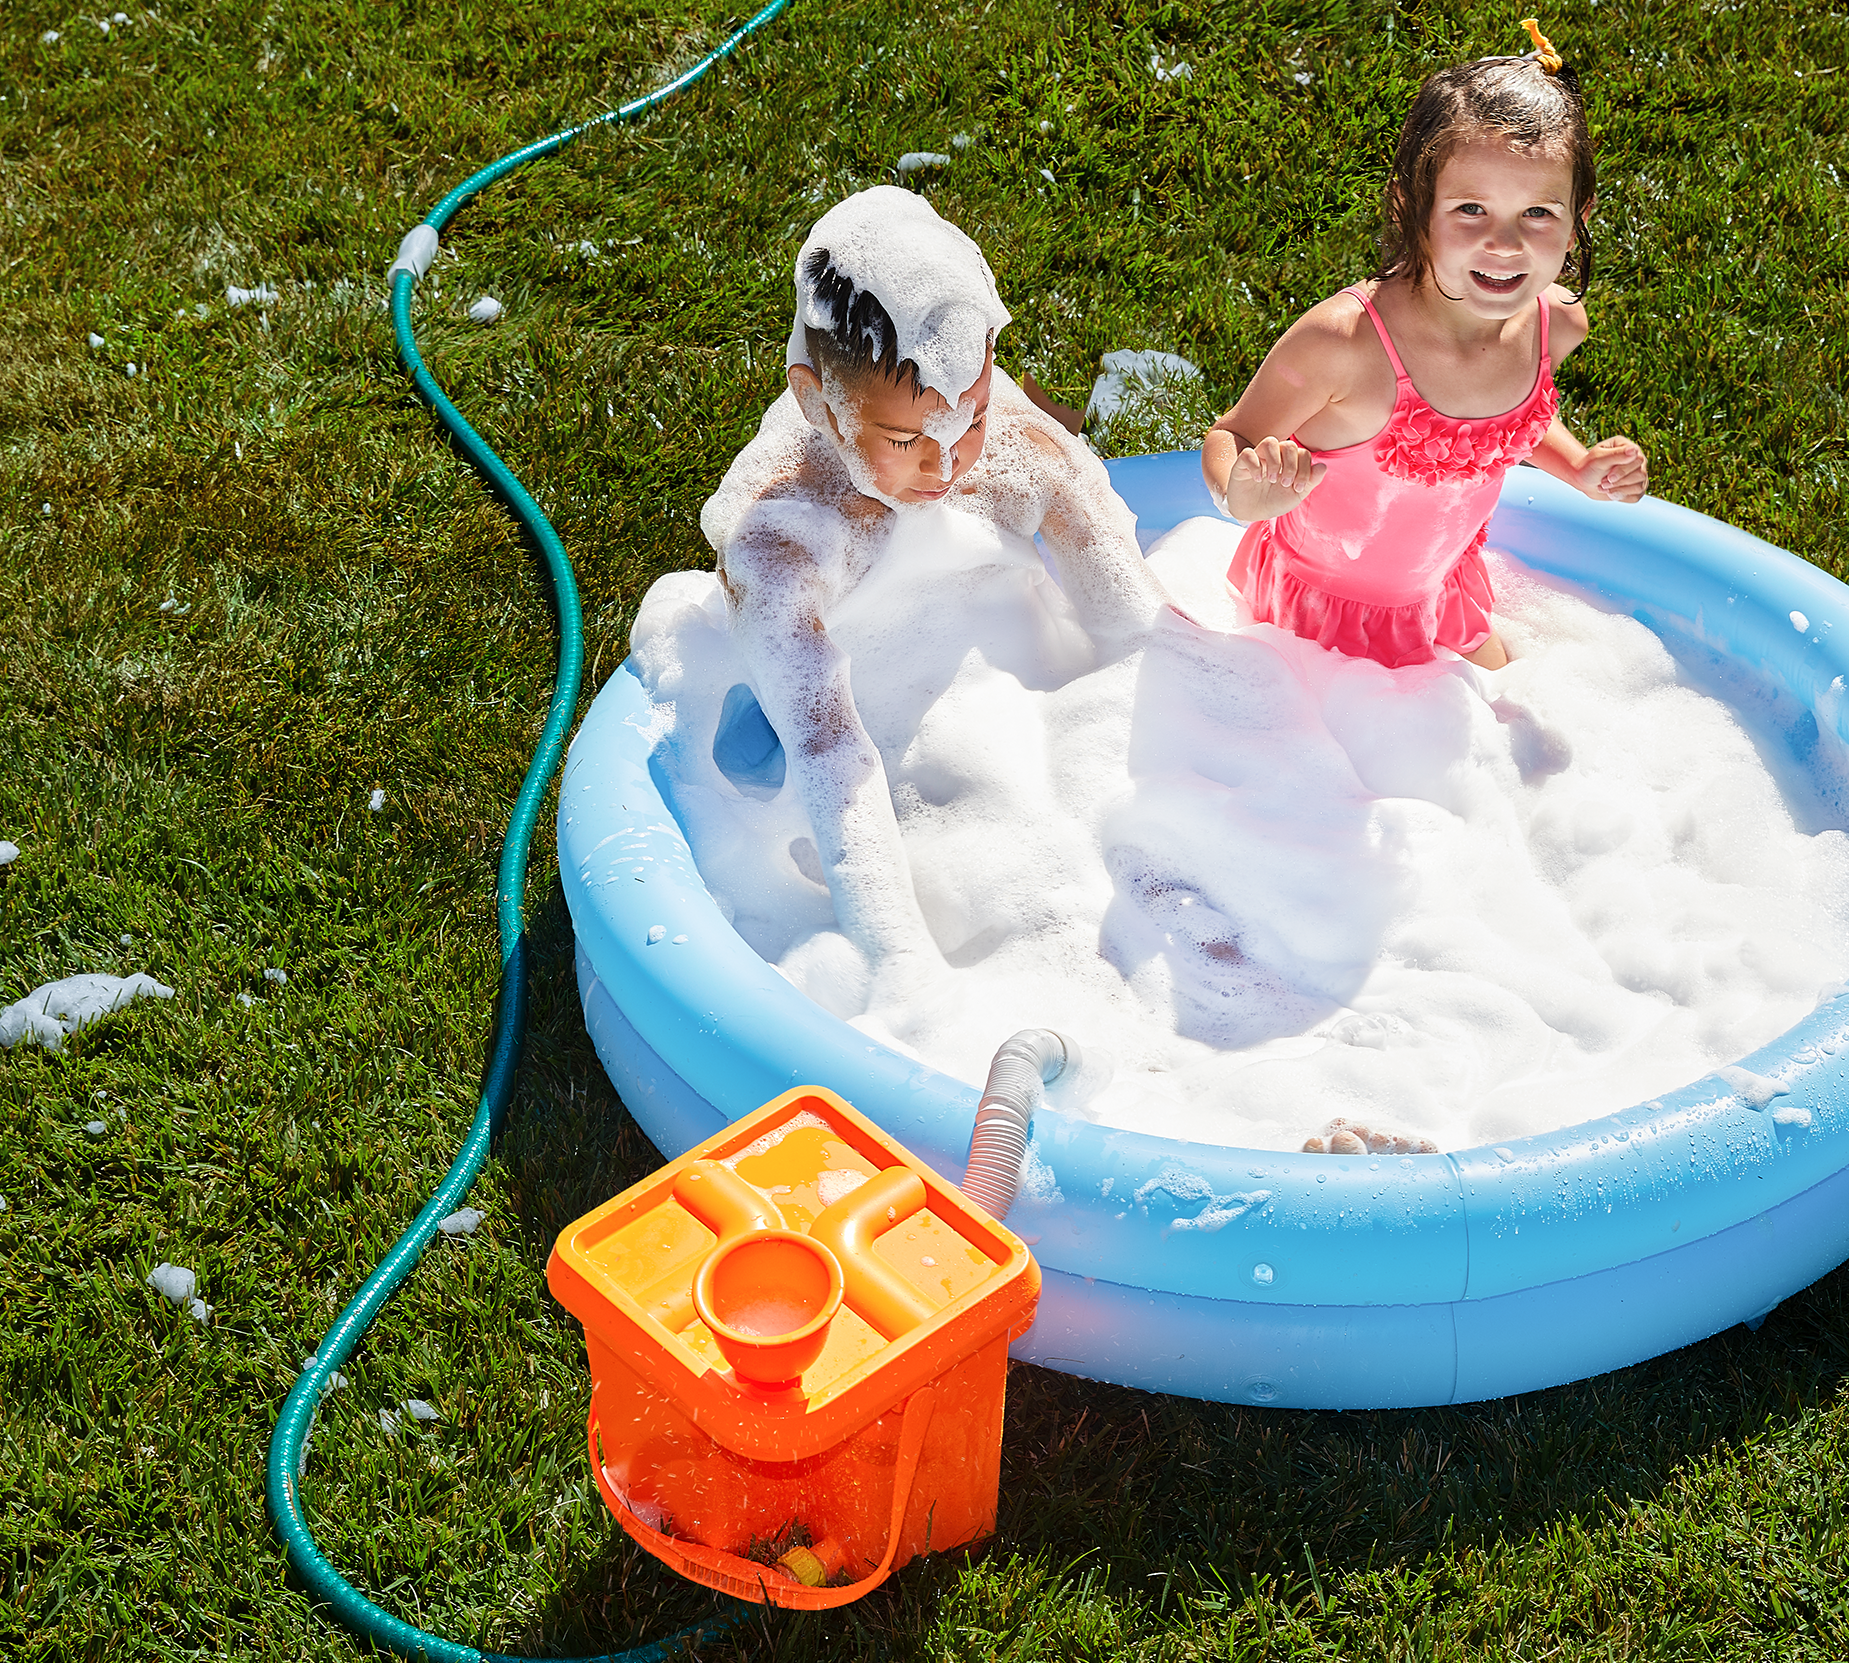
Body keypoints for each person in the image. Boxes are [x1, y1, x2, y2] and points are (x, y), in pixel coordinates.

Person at [700, 187, 1164, 986]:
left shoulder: (1024, 456)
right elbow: (831, 763)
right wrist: (902, 972)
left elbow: (1142, 633)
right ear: (817, 401)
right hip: (880, 770)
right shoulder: (786, 542)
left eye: (973, 416)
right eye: (906, 438)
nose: (948, 464)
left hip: (1019, 727)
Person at [1201, 20, 1649, 670]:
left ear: (1578, 220)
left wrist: (1577, 466)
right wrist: (1242, 497)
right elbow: (1232, 435)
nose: (1505, 242)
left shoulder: (1556, 326)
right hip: (1314, 618)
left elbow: (1508, 419)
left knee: (1502, 723)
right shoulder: (1347, 345)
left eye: (1538, 213)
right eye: (1471, 209)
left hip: (1443, 593)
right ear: (1413, 205)